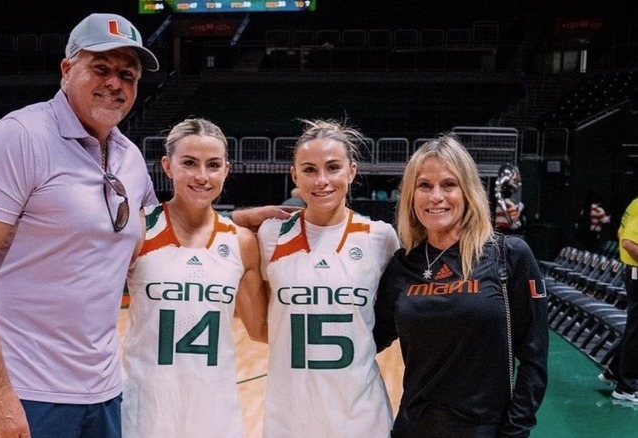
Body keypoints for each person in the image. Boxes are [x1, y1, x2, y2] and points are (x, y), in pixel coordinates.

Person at [0, 13, 287, 438]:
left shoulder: (127, 158)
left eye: (127, 74)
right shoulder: (17, 138)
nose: (115, 83)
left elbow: (164, 231)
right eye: (101, 68)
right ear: (67, 70)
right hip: (29, 390)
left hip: (104, 391)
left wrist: (233, 222)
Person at [373, 134, 549, 437]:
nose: (436, 196)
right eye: (424, 185)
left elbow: (534, 358)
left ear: (468, 191)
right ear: (410, 196)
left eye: (449, 184)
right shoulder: (402, 266)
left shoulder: (508, 256)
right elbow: (369, 339)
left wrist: (514, 431)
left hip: (483, 430)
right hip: (412, 428)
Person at [121, 118, 268, 437]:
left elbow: (260, 329)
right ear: (167, 166)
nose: (202, 176)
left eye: (213, 165)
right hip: (147, 408)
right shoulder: (138, 230)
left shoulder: (240, 243)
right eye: (189, 163)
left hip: (215, 411)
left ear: (226, 170)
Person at [257, 119, 399, 437]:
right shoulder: (269, 235)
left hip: (362, 417)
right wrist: (237, 217)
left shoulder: (381, 238)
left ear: (351, 171)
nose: (322, 180)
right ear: (294, 175)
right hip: (290, 417)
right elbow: (258, 328)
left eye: (333, 167)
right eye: (309, 169)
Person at [599, 195, 638, 403]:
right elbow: (629, 242)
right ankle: (626, 387)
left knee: (634, 329)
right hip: (637, 272)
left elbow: (620, 231)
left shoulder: (634, 203)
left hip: (632, 272)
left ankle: (613, 371)